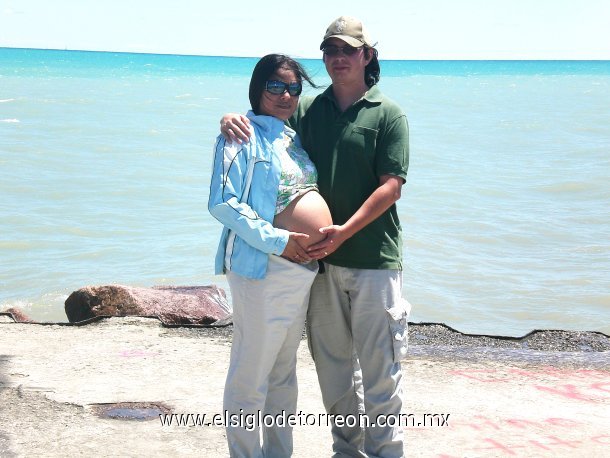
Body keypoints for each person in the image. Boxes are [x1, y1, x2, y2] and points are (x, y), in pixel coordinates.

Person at [221, 16, 411, 457]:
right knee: (334, 372)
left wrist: (345, 230)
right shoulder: (308, 110)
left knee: (382, 372)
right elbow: (264, 124)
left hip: (373, 260)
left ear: (366, 55)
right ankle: (347, 452)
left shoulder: (389, 113)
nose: (338, 58)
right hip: (317, 265)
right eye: (330, 50)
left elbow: (392, 185)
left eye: (348, 50)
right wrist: (230, 117)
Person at [208, 53, 332, 457]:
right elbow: (223, 204)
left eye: (293, 88)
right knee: (250, 375)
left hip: (299, 271)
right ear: (258, 88)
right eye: (275, 86)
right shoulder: (241, 135)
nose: (285, 95)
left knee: (283, 375)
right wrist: (281, 240)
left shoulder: (290, 136)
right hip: (262, 268)